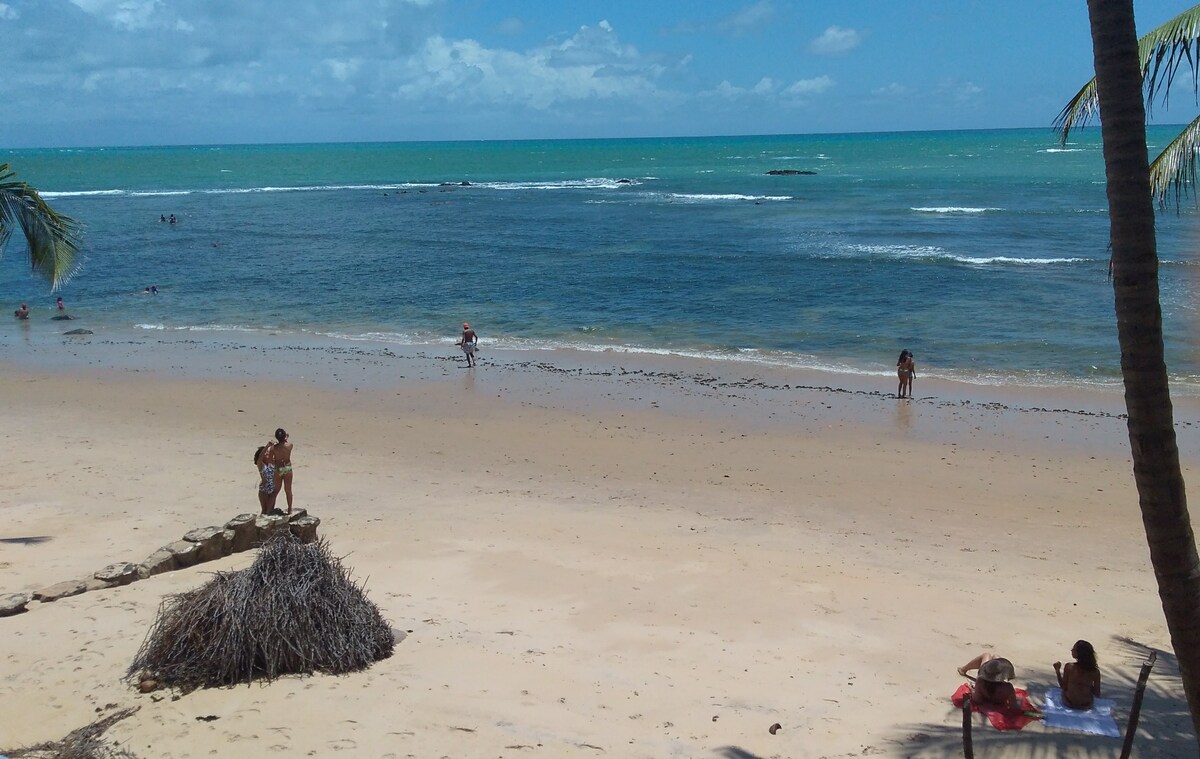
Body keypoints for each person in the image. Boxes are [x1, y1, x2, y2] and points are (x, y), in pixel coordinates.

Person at [958, 653, 1022, 711]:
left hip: (986, 691)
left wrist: (971, 689)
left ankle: (963, 669)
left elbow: (977, 700)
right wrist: (1019, 701)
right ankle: (995, 664)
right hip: (998, 700)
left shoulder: (981, 682)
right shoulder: (1008, 687)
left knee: (986, 655)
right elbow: (1014, 707)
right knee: (997, 658)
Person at [1054, 640, 1102, 710]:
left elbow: (1063, 686)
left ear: (1079, 653)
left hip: (1068, 702)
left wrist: (1057, 670)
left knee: (1063, 692)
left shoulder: (1069, 667)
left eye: (1074, 649)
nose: (1071, 650)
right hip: (1086, 705)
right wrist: (1086, 685)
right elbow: (1097, 693)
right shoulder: (1095, 672)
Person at [273, 428, 294, 514]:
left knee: (276, 490)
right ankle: (289, 509)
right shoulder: (289, 445)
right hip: (287, 467)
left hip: (278, 468)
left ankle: (270, 507)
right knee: (288, 490)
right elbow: (286, 443)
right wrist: (286, 438)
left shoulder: (274, 448)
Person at [255, 443, 277, 515]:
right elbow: (260, 457)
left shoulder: (272, 463)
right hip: (264, 489)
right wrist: (267, 446)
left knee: (271, 510)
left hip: (272, 489)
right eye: (265, 453)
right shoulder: (261, 464)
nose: (267, 453)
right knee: (265, 510)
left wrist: (274, 447)